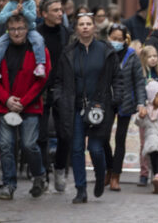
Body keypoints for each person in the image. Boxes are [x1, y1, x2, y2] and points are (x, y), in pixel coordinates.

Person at [54, 12, 120, 204]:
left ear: (94, 27)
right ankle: (80, 189)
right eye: (81, 24)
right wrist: (59, 98)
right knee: (76, 149)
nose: (84, 27)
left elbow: (117, 77)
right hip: (74, 107)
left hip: (100, 106)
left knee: (96, 148)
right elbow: (59, 80)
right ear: (76, 28)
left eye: (88, 24)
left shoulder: (105, 50)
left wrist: (117, 98)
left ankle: (100, 178)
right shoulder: (68, 52)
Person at [0, 14, 51, 200]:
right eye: (13, 29)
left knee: (28, 145)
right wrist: (6, 99)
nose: (16, 32)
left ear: (28, 29)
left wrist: (23, 102)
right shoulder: (0, 50)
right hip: (5, 105)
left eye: (20, 28)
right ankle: (9, 184)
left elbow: (41, 81)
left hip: (30, 105)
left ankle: (39, 176)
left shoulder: (38, 50)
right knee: (6, 146)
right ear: (7, 30)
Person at [103, 24, 147, 191]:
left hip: (126, 102)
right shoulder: (103, 53)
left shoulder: (131, 56)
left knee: (120, 139)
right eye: (113, 38)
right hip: (106, 101)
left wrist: (141, 103)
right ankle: (108, 167)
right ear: (108, 38)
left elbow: (139, 81)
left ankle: (116, 175)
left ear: (125, 40)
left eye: (119, 39)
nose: (116, 42)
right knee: (102, 138)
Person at [36, 0, 73, 192]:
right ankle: (43, 174)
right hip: (40, 89)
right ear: (44, 14)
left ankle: (60, 169)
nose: (60, 13)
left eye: (61, 9)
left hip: (63, 88)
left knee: (65, 134)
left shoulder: (66, 34)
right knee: (41, 135)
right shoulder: (36, 35)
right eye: (55, 10)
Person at [0, 0, 46, 81]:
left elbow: (33, 18)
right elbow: (0, 19)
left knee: (39, 40)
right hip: (12, 32)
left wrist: (24, 11)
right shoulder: (10, 4)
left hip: (30, 30)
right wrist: (12, 12)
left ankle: (40, 64)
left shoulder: (31, 3)